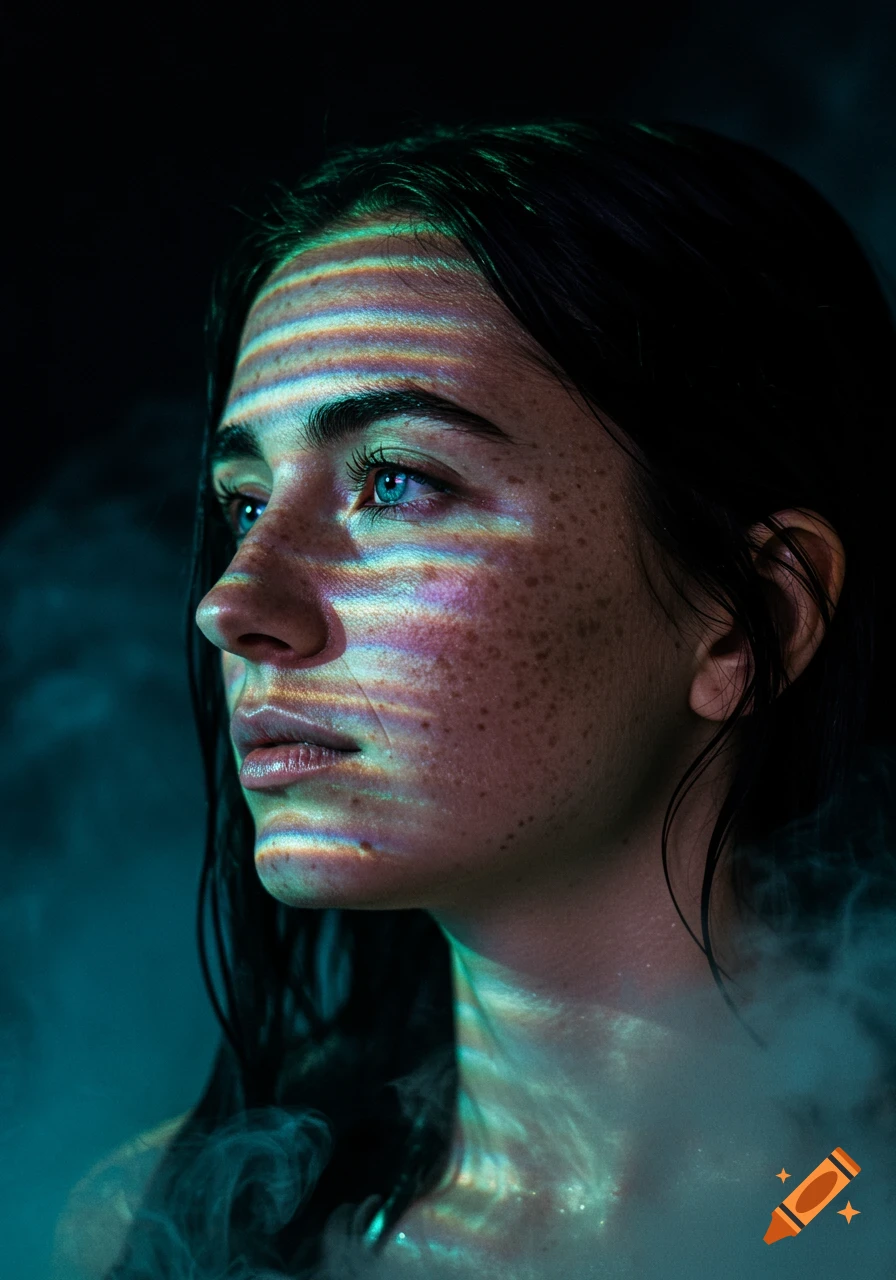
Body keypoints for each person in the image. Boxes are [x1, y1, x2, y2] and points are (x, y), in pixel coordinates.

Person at [52, 116, 896, 1279]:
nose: (233, 602)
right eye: (244, 503)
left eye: (396, 481)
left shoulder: (851, 1213)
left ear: (749, 615)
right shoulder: (177, 1223)